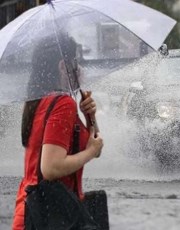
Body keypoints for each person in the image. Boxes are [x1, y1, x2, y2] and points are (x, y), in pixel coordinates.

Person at [12, 34, 104, 230]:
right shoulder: (63, 104)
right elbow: (51, 167)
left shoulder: (37, 101)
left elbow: (96, 146)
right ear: (64, 66)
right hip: (53, 216)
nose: (80, 68)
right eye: (77, 61)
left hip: (33, 211)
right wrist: (89, 152)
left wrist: (90, 117)